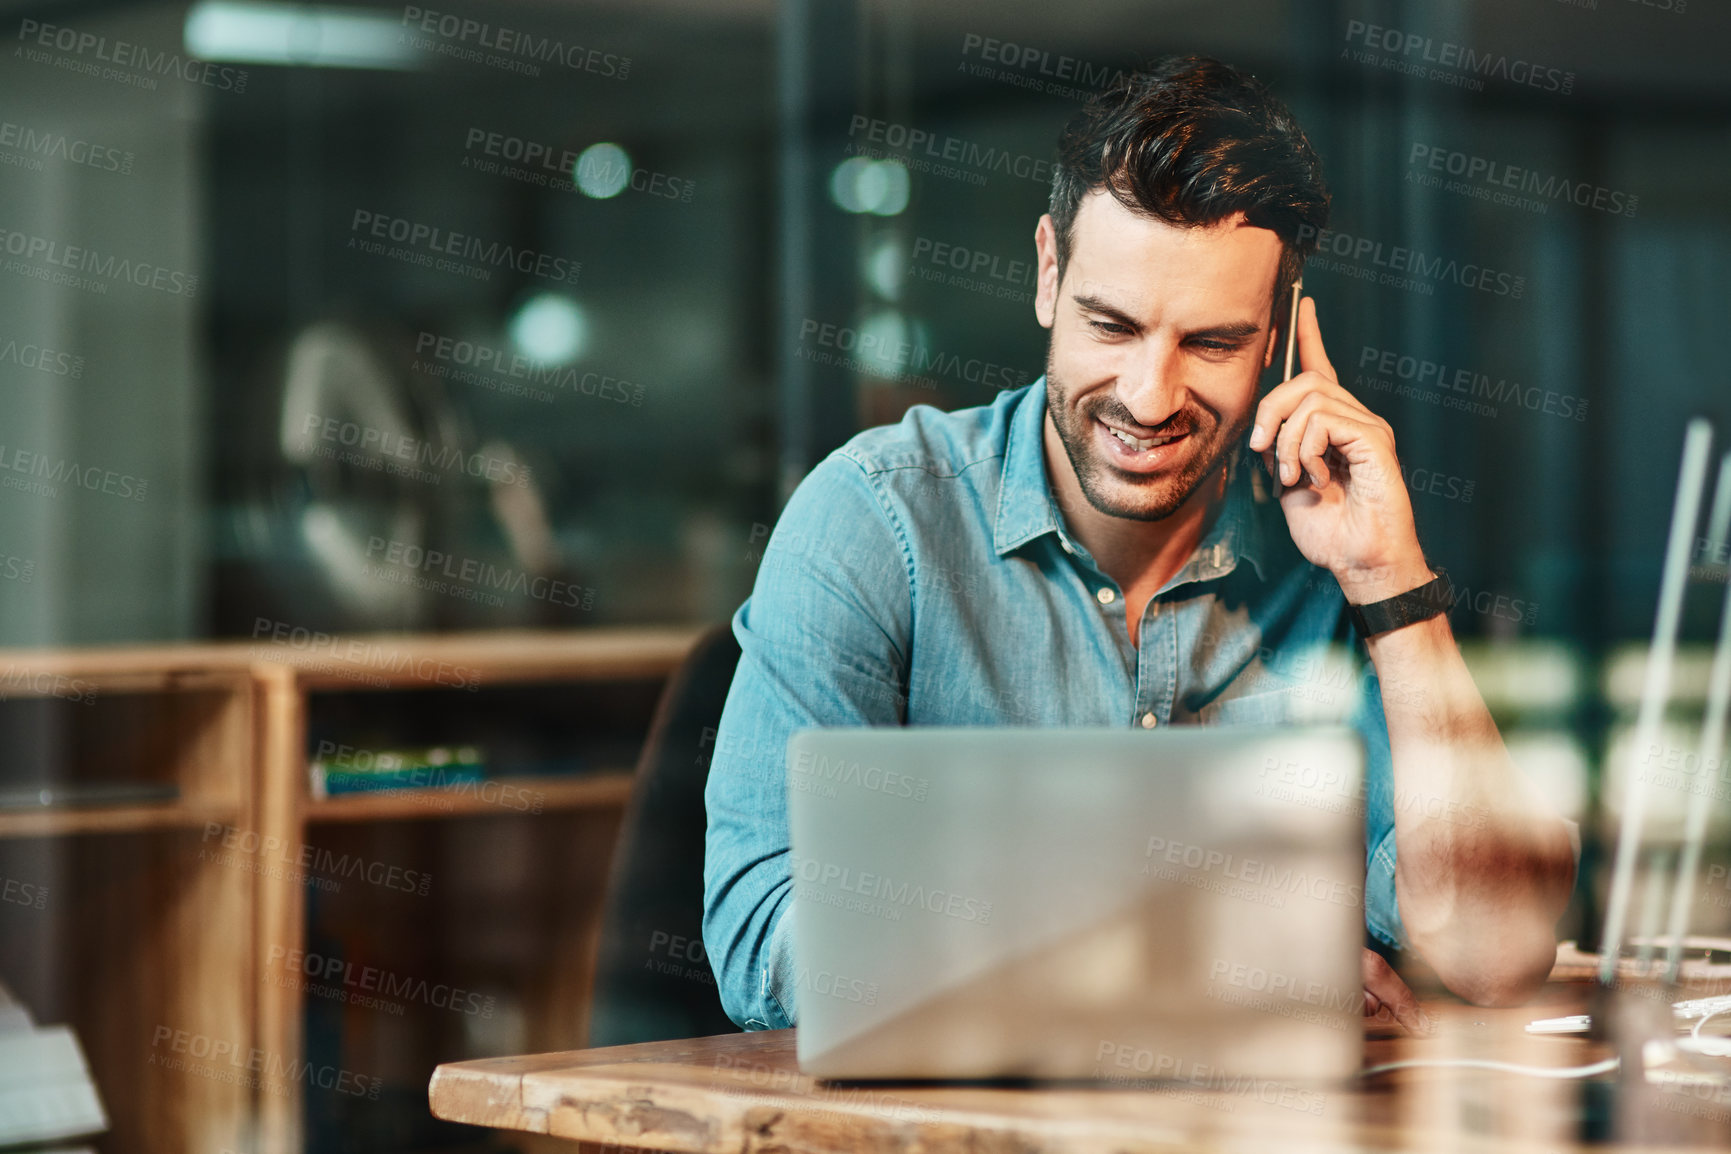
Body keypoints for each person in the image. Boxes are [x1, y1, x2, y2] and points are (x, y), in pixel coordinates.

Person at [703, 55, 1577, 1035]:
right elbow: (766, 939)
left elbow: (1494, 951)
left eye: (1210, 342)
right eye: (1111, 325)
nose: (1148, 397)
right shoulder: (879, 519)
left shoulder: (1334, 559)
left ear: (1282, 334)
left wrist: (1391, 585)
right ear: (1048, 272)